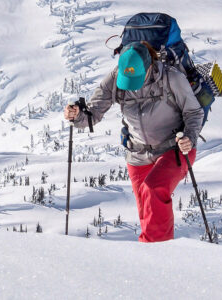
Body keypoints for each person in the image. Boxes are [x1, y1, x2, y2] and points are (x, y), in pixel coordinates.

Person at [65, 40, 203, 242]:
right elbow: (92, 114)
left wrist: (189, 137)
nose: (132, 86)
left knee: (153, 189)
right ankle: (150, 257)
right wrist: (76, 115)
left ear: (149, 67)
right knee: (147, 212)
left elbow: (194, 112)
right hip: (137, 152)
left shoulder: (171, 78)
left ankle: (158, 255)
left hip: (175, 148)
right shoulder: (115, 78)